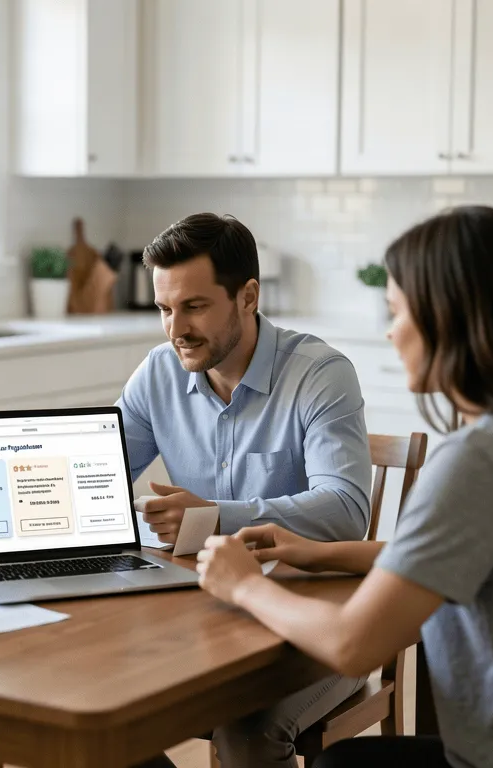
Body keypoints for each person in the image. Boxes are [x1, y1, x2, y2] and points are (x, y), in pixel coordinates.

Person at [197, 206, 493, 768]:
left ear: (451, 320)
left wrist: (246, 585)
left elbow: (353, 644)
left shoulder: (482, 460)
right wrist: (322, 554)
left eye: (397, 311)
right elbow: (461, 556)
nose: (390, 331)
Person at [117, 213, 373, 767]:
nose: (175, 328)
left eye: (194, 306)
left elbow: (348, 510)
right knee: (104, 712)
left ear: (247, 296)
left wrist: (213, 517)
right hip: (202, 618)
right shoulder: (158, 374)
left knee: (247, 730)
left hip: (315, 632)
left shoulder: (320, 374)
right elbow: (99, 482)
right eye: (165, 308)